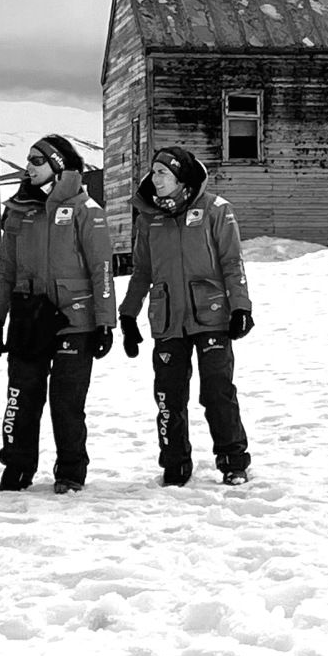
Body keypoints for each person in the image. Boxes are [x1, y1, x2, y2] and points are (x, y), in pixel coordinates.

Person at [0, 135, 115, 494]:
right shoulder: (17, 210)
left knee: (66, 402)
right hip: (28, 318)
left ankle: (70, 473)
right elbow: (5, 269)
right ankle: (16, 471)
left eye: (37, 161)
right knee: (21, 398)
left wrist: (105, 323)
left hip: (75, 321)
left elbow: (102, 269)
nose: (28, 167)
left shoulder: (86, 210)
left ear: (57, 167)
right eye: (28, 160)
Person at [118, 147, 255, 487]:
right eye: (153, 172)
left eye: (162, 172)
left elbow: (232, 263)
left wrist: (241, 307)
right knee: (168, 395)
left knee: (217, 391)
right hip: (167, 319)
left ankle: (233, 460)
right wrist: (128, 315)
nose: (154, 178)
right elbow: (142, 272)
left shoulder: (216, 210)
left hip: (211, 316)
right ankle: (175, 464)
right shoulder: (149, 217)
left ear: (180, 179)